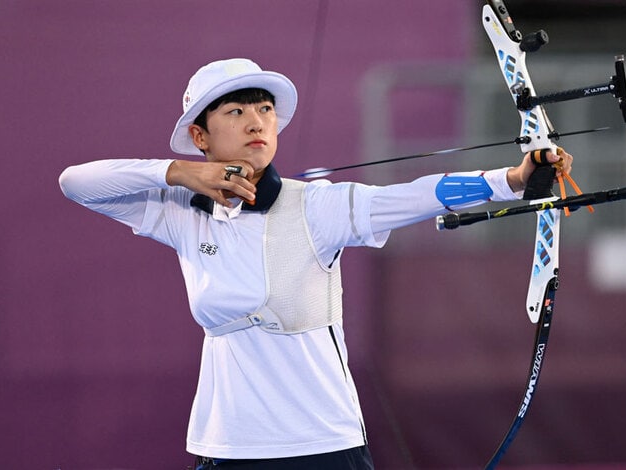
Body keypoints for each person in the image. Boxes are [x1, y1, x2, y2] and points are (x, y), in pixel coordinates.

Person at [58, 58, 572, 469]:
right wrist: (180, 174)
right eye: (234, 112)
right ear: (201, 137)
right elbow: (75, 183)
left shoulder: (316, 206)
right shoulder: (182, 214)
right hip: (229, 447)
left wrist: (513, 178)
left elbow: (417, 196)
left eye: (263, 108)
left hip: (323, 446)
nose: (257, 120)